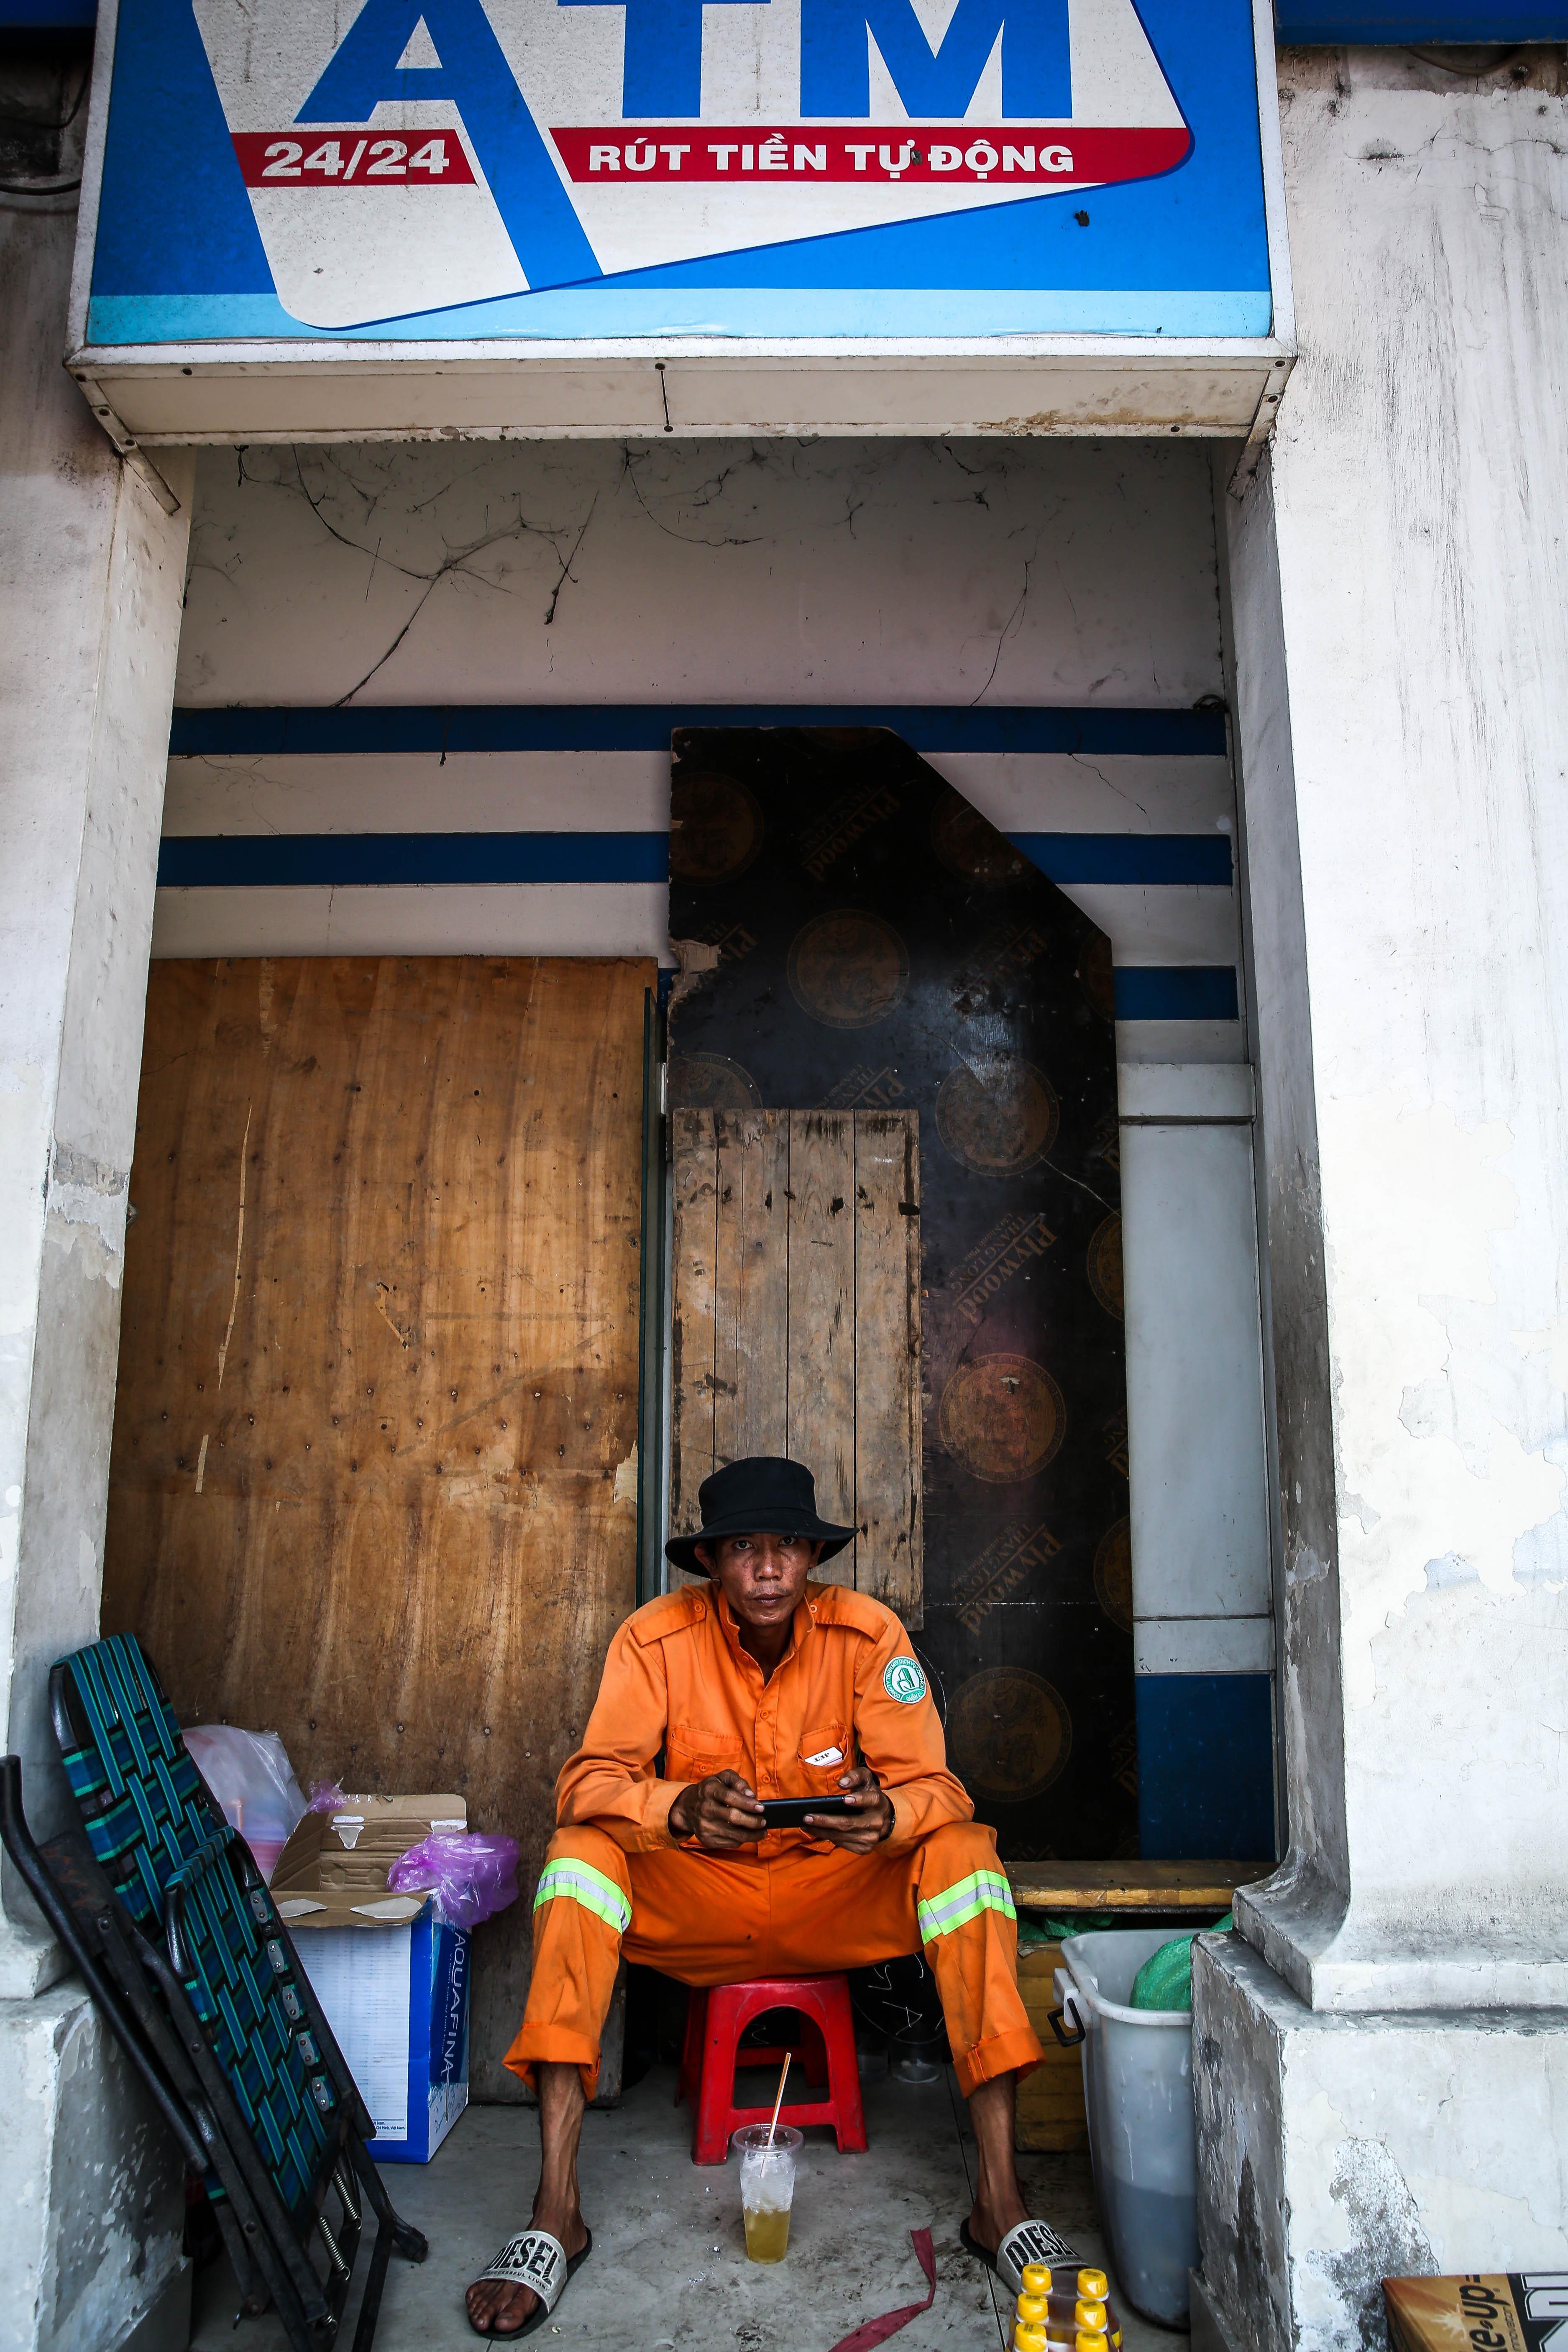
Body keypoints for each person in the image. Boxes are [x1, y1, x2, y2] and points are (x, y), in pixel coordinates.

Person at [466, 1455, 1062, 2339]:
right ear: (711, 1562)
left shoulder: (868, 1636)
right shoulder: (653, 1639)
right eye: (746, 1547)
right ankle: (556, 2207)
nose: (771, 1568)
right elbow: (584, 1784)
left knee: (967, 1856)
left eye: (788, 1545)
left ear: (813, 1556)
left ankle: (999, 2203)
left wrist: (887, 1815)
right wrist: (680, 1806)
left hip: (838, 1900)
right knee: (580, 1855)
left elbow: (943, 1790)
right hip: (701, 1902)